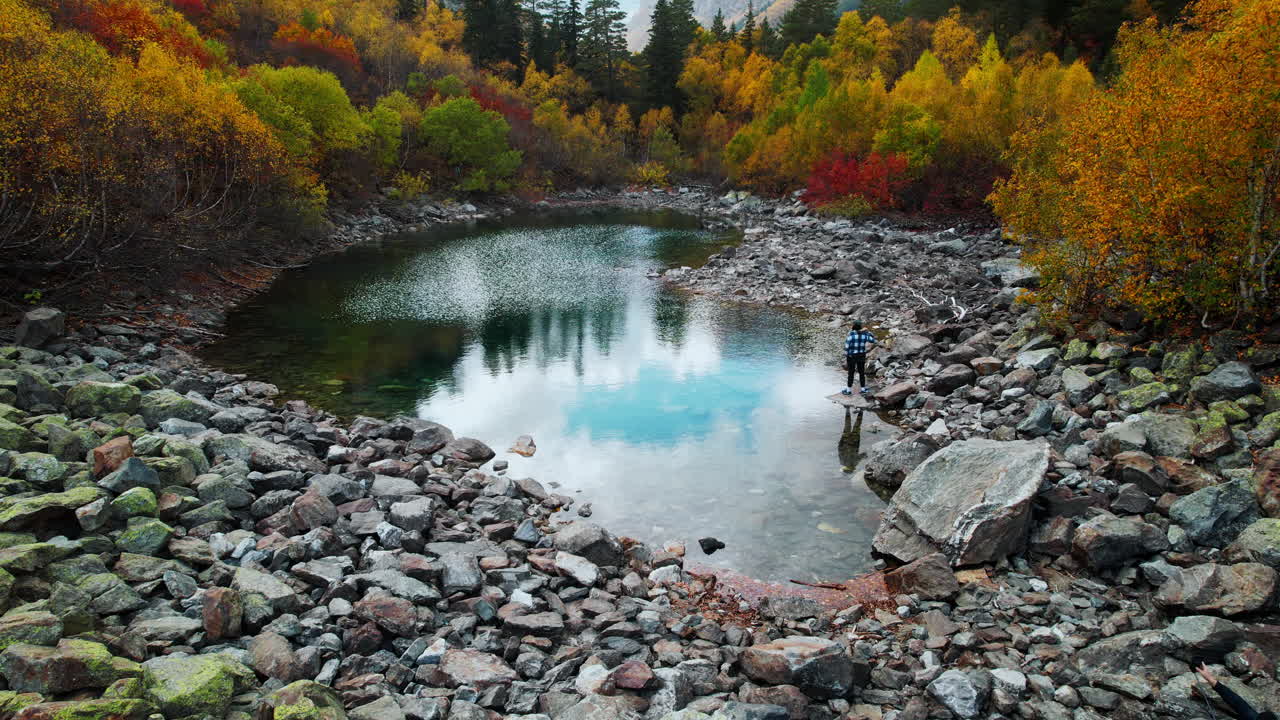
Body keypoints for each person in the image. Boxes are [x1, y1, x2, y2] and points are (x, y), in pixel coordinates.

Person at [1197, 663, 1278, 720]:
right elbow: (1235, 701)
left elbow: (1236, 701)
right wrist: (1210, 679)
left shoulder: (1252, 717)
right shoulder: (1251, 717)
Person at [842, 321, 876, 395]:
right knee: (861, 372)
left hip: (852, 357)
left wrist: (846, 355)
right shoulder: (865, 336)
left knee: (851, 373)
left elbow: (846, 348)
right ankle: (863, 389)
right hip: (861, 356)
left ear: (853, 327)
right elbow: (873, 340)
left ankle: (848, 390)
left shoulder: (850, 337)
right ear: (860, 328)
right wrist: (868, 332)